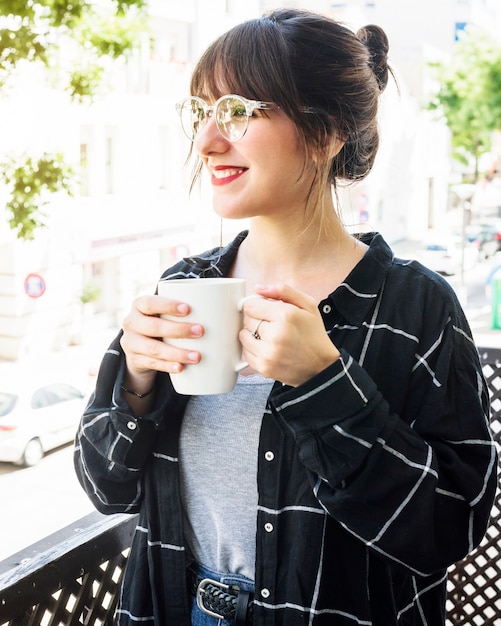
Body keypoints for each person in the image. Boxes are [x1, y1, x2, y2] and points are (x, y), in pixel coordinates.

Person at [74, 8, 497, 626]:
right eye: (203, 113)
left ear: (326, 134)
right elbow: (104, 486)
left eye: (240, 111)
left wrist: (327, 386)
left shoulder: (415, 306)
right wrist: (134, 386)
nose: (208, 141)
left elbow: (451, 527)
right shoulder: (184, 288)